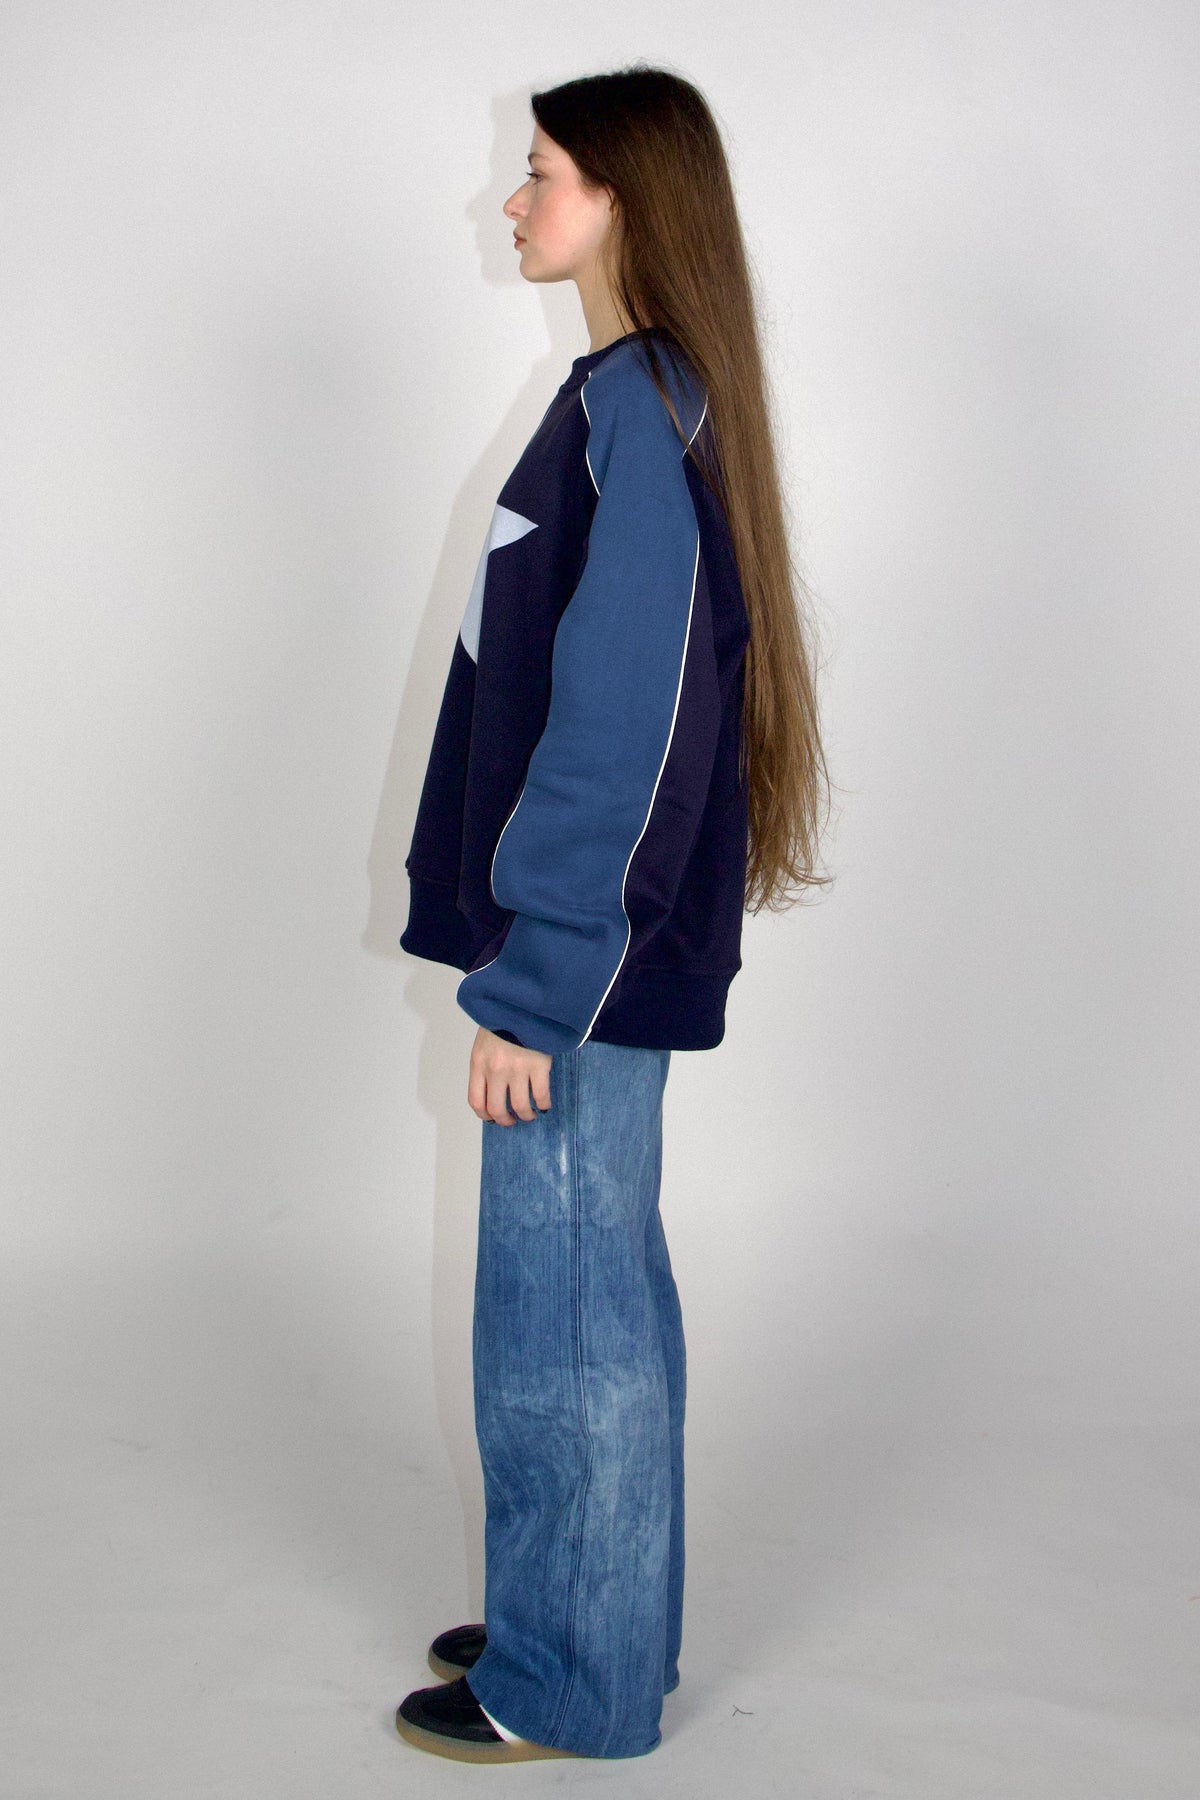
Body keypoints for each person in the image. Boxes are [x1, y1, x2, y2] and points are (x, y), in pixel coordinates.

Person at [393, 64, 831, 1765]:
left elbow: (623, 719)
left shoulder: (638, 411)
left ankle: (568, 1679)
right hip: (584, 957)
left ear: (627, 200)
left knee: (564, 1322)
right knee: (575, 1297)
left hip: (579, 966)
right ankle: (580, 1612)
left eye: (543, 172)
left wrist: (539, 980)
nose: (515, 201)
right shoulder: (634, 397)